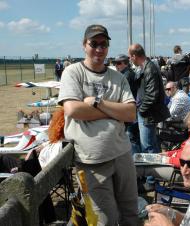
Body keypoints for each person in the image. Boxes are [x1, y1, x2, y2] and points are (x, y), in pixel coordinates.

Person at [58, 24, 138, 225]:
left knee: (131, 214)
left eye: (104, 44)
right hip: (92, 161)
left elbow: (130, 113)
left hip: (122, 155)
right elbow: (73, 110)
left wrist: (97, 102)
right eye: (94, 43)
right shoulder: (72, 72)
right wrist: (113, 112)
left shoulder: (117, 77)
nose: (99, 49)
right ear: (84, 45)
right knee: (105, 220)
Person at [128, 43, 170, 154]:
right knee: (151, 144)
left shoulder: (149, 69)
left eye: (130, 57)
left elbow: (152, 95)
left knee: (148, 147)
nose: (130, 60)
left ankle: (152, 171)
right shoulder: (146, 67)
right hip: (146, 114)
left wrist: (141, 111)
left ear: (134, 56)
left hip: (147, 115)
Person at [113, 53, 140, 154]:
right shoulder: (127, 74)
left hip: (129, 111)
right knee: (133, 137)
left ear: (125, 63)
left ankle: (136, 162)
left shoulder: (126, 75)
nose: (116, 65)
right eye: (115, 63)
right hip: (132, 110)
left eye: (118, 63)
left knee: (131, 137)